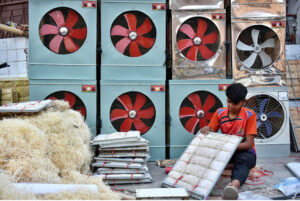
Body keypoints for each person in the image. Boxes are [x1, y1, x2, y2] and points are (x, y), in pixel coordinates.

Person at [200, 83, 257, 200]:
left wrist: (227, 146)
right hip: (226, 151)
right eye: (228, 102)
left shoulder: (250, 115)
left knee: (244, 161)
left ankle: (233, 186)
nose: (230, 106)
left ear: (244, 102)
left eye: (235, 103)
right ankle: (229, 165)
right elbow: (211, 133)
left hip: (244, 152)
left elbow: (248, 144)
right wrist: (206, 130)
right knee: (206, 156)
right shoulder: (220, 112)